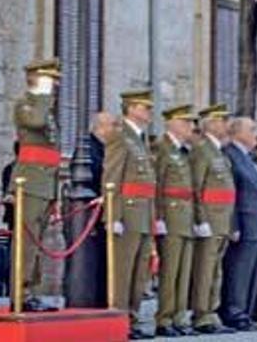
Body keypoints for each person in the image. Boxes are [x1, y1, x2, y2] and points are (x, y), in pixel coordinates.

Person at [104, 89, 158, 340]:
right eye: (145, 107)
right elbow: (112, 177)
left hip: (144, 214)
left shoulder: (140, 139)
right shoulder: (120, 137)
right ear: (132, 108)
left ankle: (133, 318)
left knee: (139, 273)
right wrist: (112, 216)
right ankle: (119, 319)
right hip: (127, 212)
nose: (149, 112)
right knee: (123, 271)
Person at [10, 58, 62, 312]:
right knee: (27, 241)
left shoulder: (44, 108)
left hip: (44, 182)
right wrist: (42, 94)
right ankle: (20, 292)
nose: (53, 85)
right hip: (29, 181)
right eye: (49, 79)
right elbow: (36, 123)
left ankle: (30, 290)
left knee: (38, 241)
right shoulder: (25, 105)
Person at [188, 104, 236, 335]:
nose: (226, 125)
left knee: (215, 268)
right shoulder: (202, 150)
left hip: (222, 219)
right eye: (222, 120)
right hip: (210, 217)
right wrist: (201, 219)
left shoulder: (217, 151)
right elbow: (196, 187)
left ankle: (211, 310)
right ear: (211, 124)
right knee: (206, 268)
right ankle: (201, 313)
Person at [219, 116, 257, 332]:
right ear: (237, 132)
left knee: (252, 270)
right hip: (244, 221)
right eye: (251, 129)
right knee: (239, 270)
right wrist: (233, 224)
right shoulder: (231, 155)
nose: (256, 133)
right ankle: (234, 311)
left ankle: (246, 311)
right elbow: (233, 194)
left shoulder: (249, 157)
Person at [153, 104, 198, 337]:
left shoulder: (183, 151)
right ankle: (165, 317)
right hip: (170, 217)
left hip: (185, 218)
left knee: (183, 270)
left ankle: (179, 315)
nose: (191, 127)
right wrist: (158, 217)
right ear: (171, 123)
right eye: (186, 122)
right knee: (170, 272)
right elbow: (158, 185)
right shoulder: (162, 148)